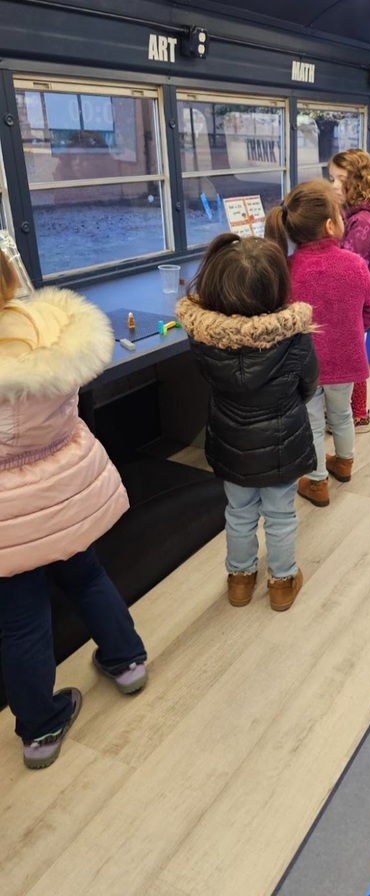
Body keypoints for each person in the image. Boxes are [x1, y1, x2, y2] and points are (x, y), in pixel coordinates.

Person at [0, 251, 147, 770]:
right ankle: (127, 661)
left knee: (19, 622)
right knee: (86, 576)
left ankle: (41, 731)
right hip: (61, 490)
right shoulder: (48, 328)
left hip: (6, 525)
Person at [176, 233, 318, 612]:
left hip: (229, 442)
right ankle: (282, 583)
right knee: (280, 514)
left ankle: (239, 579)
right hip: (282, 444)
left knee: (237, 513)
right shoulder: (296, 340)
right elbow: (308, 385)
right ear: (276, 287)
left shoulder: (203, 340)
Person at [265, 180, 370, 508]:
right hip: (347, 362)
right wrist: (351, 330)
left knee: (312, 423)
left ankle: (317, 483)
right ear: (330, 225)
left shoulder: (287, 270)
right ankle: (344, 463)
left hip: (305, 366)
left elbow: (283, 321)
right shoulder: (355, 265)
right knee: (342, 414)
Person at [328, 148, 370, 433]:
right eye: (330, 178)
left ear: (357, 182)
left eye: (339, 179)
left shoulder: (363, 222)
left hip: (355, 301)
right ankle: (354, 412)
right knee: (353, 356)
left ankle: (356, 416)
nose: (332, 185)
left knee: (351, 360)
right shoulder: (354, 212)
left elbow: (347, 264)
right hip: (359, 298)